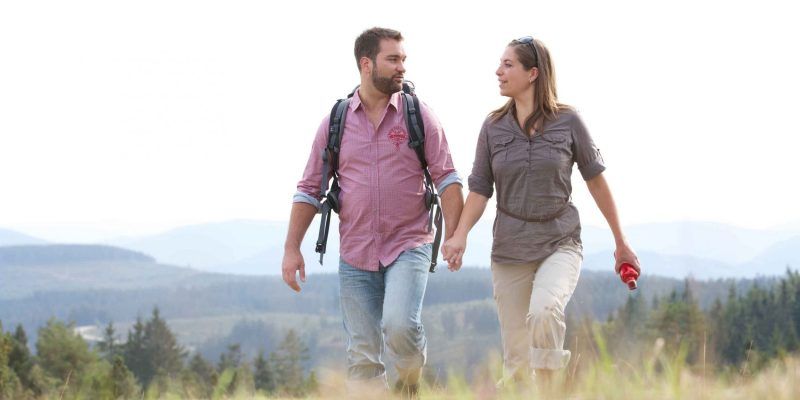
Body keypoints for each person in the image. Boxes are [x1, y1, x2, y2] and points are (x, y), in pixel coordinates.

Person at [441, 36, 641, 387]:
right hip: (510, 249)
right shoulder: (492, 127)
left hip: (559, 241)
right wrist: (458, 237)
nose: (498, 71)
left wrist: (620, 241)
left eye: (508, 65)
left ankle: (550, 393)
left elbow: (596, 180)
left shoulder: (568, 122)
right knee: (517, 362)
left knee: (546, 312)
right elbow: (480, 190)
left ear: (532, 73)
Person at [281, 27, 464, 397]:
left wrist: (457, 236)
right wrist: (291, 247)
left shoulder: (418, 116)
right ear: (367, 64)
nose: (401, 67)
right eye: (392, 59)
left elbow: (448, 178)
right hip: (356, 253)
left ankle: (411, 384)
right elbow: (310, 188)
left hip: (409, 244)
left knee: (399, 326)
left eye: (403, 59)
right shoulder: (336, 122)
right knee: (362, 355)